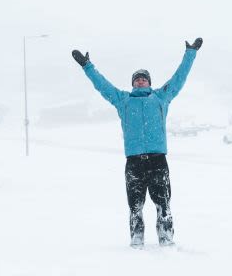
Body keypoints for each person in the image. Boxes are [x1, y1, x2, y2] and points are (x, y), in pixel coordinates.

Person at [71, 38, 203, 248]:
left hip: (158, 160)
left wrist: (190, 53)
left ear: (149, 82)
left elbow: (178, 79)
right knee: (135, 207)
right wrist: (87, 66)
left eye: (144, 79)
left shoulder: (161, 97)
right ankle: (137, 241)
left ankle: (166, 240)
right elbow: (102, 86)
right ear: (133, 83)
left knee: (164, 205)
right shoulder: (123, 100)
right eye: (137, 79)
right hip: (134, 162)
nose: (140, 81)